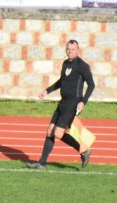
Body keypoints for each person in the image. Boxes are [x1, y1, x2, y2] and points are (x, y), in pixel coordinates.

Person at [27, 39, 95, 170]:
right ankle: (41, 163)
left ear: (78, 50)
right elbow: (61, 82)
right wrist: (47, 90)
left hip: (73, 103)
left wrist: (83, 101)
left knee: (58, 133)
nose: (70, 52)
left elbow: (91, 85)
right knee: (50, 131)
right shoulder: (65, 64)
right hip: (63, 102)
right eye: (68, 49)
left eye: (73, 49)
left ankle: (84, 149)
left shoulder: (82, 66)